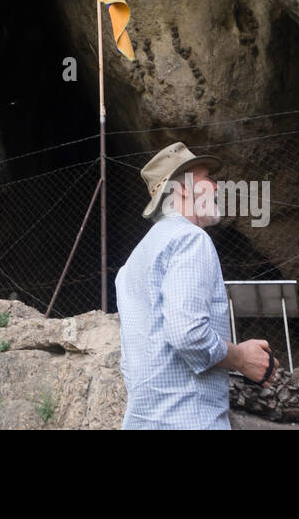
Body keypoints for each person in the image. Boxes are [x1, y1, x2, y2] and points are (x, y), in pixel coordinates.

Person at [115, 142, 276, 429]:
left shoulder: (132, 262)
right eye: (208, 178)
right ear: (185, 189)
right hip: (188, 419)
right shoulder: (190, 239)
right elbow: (187, 334)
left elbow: (130, 362)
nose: (216, 187)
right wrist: (241, 357)